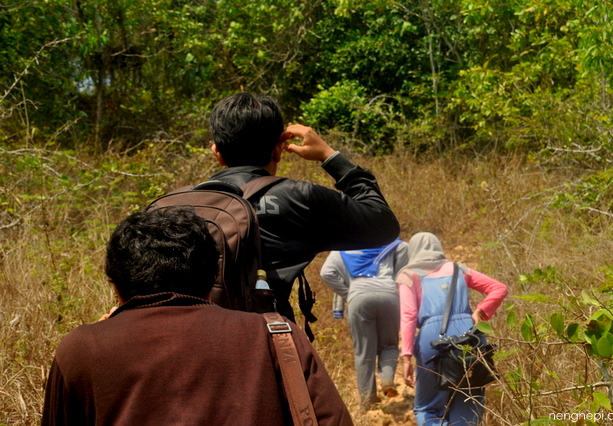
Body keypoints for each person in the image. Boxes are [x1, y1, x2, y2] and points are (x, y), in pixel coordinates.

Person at [41, 207, 354, 425]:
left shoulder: (80, 349)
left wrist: (95, 343)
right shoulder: (277, 335)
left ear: (117, 288)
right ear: (210, 281)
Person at [208, 92, 400, 323]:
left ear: (217, 152)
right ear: (278, 149)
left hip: (195, 345)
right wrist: (329, 156)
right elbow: (383, 226)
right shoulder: (299, 199)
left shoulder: (171, 207)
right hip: (266, 345)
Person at [397, 233, 508, 426]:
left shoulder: (408, 274)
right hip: (469, 334)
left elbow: (408, 315)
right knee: (469, 400)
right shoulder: (459, 269)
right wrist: (481, 312)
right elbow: (499, 288)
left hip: (432, 338)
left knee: (427, 407)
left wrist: (406, 355)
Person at [320, 238, 408, 411]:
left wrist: (348, 293)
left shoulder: (342, 248)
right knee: (389, 344)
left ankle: (368, 401)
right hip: (389, 296)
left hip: (359, 298)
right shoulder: (390, 243)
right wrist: (395, 280)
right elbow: (405, 252)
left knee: (363, 352)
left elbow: (326, 273)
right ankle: (388, 379)